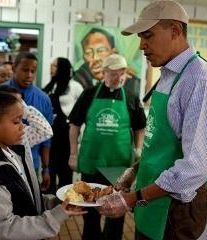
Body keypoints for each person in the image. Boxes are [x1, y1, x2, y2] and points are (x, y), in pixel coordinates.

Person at [97, 1, 207, 240]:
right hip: (151, 195)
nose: (142, 45)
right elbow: (158, 142)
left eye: (148, 36)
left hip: (176, 209)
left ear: (175, 30)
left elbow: (195, 167)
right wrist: (134, 172)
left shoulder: (200, 81)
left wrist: (133, 198)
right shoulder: (167, 74)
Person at [0, 91, 86, 240]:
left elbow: (23, 197)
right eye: (16, 122)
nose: (23, 127)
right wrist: (54, 217)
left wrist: (56, 203)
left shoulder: (13, 152)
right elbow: (3, 229)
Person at [69, 54, 146, 240]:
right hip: (92, 163)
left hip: (119, 167)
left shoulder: (132, 97)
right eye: (114, 74)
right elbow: (74, 126)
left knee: (116, 213)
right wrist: (73, 154)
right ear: (103, 73)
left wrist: (138, 151)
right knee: (90, 210)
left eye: (123, 73)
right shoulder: (89, 94)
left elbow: (140, 127)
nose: (119, 78)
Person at [5, 52, 53, 191]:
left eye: (33, 71)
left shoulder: (43, 99)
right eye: (25, 70)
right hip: (2, 161)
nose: (29, 75)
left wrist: (46, 168)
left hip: (32, 161)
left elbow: (46, 139)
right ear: (14, 68)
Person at [43, 57, 83, 193]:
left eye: (54, 66)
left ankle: (65, 203)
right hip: (50, 136)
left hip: (65, 136)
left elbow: (81, 113)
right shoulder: (50, 86)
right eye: (51, 65)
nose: (51, 68)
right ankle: (49, 203)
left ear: (62, 68)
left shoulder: (75, 86)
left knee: (65, 173)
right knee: (50, 170)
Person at [75, 28, 141, 96]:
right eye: (88, 52)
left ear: (113, 53)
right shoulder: (78, 80)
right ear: (84, 57)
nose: (95, 58)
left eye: (101, 51)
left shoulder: (133, 84)